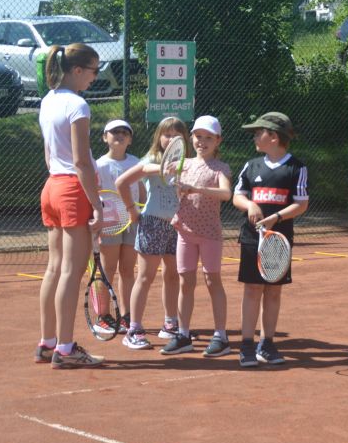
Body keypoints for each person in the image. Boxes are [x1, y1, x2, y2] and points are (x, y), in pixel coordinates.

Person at [35, 43, 106, 368]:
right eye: (93, 70)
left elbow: (51, 155)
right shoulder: (78, 105)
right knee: (70, 271)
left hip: (51, 186)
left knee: (54, 268)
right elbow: (81, 162)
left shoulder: (47, 101)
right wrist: (97, 205)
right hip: (71, 188)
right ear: (77, 70)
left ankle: (48, 343)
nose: (95, 77)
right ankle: (65, 349)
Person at [232, 112, 309, 367]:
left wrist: (276, 217)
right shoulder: (251, 165)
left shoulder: (296, 168)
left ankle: (268, 344)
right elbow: (237, 196)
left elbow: (301, 204)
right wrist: (250, 205)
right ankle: (246, 346)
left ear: (273, 137)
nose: (254, 136)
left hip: (279, 239)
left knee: (273, 292)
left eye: (259, 132)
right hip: (252, 239)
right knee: (252, 290)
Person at [116, 116, 189, 350]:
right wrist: (131, 210)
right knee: (145, 277)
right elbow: (122, 182)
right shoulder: (150, 159)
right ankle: (134, 329)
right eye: (167, 134)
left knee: (173, 275)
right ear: (159, 138)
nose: (171, 138)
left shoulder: (188, 163)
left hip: (178, 226)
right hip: (153, 223)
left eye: (176, 135)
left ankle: (170, 324)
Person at [167, 115, 233, 356]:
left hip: (210, 234)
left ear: (218, 141)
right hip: (184, 231)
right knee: (185, 281)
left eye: (208, 138)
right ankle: (183, 335)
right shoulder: (183, 164)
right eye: (198, 136)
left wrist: (196, 189)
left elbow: (226, 193)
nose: (201, 142)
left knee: (212, 281)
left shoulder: (220, 168)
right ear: (191, 138)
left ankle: (221, 337)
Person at [93, 119, 141, 337]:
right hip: (110, 223)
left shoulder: (136, 162)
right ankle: (102, 316)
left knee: (128, 270)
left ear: (130, 139)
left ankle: (126, 315)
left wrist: (142, 214)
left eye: (124, 132)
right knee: (107, 270)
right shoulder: (100, 165)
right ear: (105, 137)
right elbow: (93, 194)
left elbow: (142, 190)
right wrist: (97, 218)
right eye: (114, 132)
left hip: (133, 220)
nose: (119, 136)